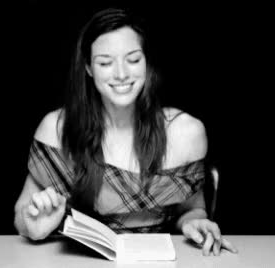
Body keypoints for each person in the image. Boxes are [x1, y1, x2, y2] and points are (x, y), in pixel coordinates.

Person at [14, 7, 237, 256]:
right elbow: (23, 214)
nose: (121, 74)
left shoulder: (185, 132)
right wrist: (34, 226)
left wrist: (195, 221)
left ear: (147, 62)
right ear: (88, 68)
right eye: (105, 63)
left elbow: (191, 209)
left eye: (132, 60)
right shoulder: (56, 129)